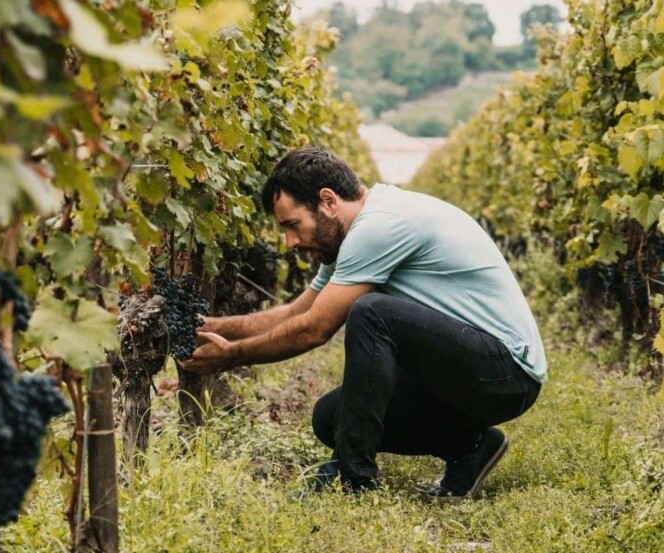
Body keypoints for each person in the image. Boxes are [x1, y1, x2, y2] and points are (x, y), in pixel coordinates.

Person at [180, 147, 546, 499]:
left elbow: (314, 329)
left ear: (328, 201)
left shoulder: (380, 227)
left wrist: (229, 357)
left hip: (506, 374)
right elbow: (297, 312)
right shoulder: (348, 235)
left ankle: (352, 476)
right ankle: (473, 447)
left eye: (293, 225)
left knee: (372, 312)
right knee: (331, 419)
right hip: (467, 369)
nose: (290, 242)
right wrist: (211, 325)